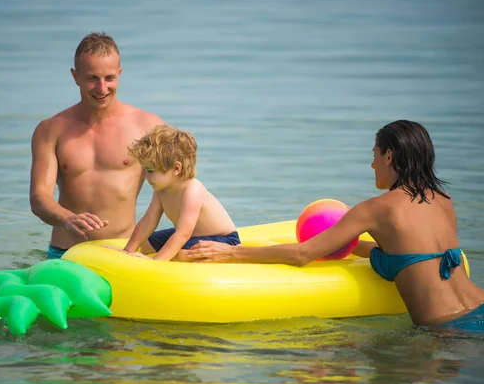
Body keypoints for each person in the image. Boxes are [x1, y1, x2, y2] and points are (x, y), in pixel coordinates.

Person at [177, 120, 484, 330]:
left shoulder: (375, 210)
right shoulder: (443, 199)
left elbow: (301, 255)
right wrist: (350, 248)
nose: (372, 164)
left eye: (375, 155)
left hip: (446, 332)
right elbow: (411, 253)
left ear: (389, 156)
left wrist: (232, 253)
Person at [29, 32, 164, 259]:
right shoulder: (50, 130)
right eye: (92, 78)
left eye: (109, 78)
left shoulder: (148, 127)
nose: (102, 89)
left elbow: (175, 188)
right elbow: (39, 198)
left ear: (119, 74)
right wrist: (66, 218)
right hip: (66, 253)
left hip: (123, 251)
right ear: (75, 76)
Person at [110, 124, 240, 261]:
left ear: (176, 168)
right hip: (192, 235)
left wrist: (156, 261)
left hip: (223, 240)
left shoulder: (192, 190)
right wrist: (127, 250)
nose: (145, 176)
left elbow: (183, 233)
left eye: (150, 171)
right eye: (144, 170)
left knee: (179, 255)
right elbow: (149, 220)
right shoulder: (161, 189)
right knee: (147, 245)